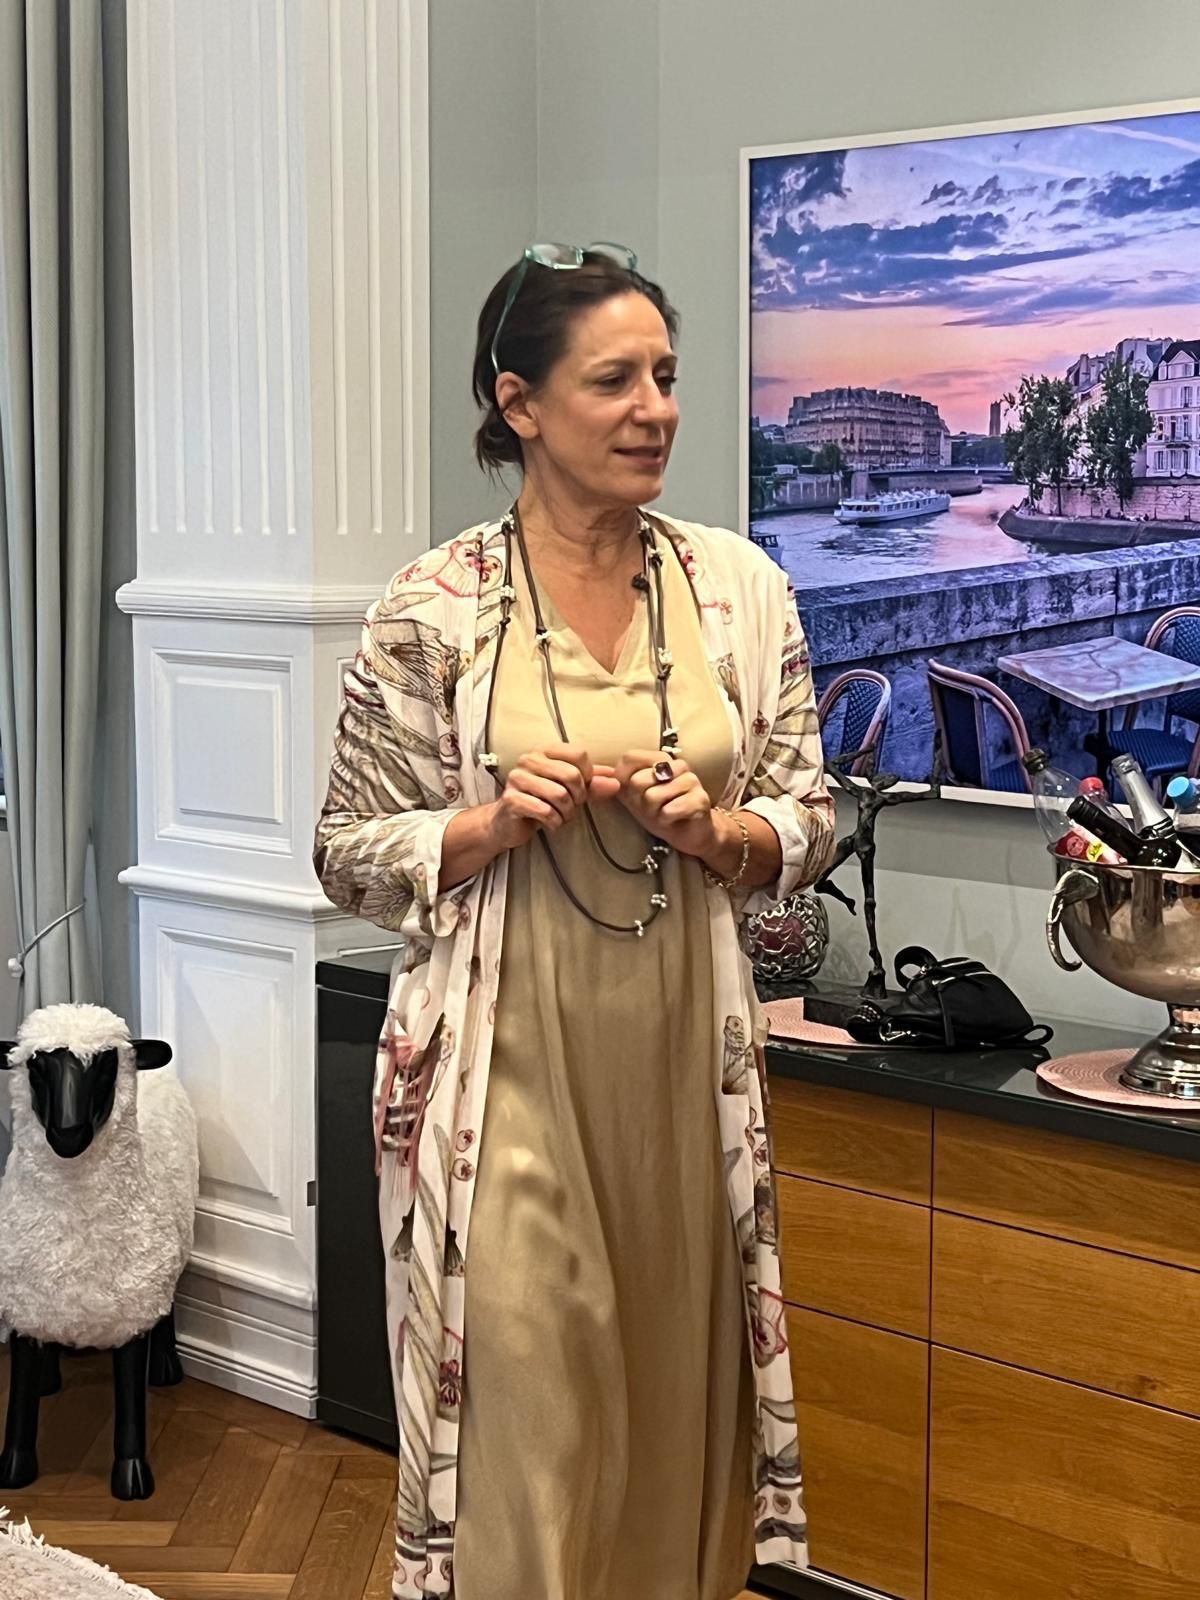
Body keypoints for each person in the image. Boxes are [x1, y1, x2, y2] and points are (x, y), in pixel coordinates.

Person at [314, 242, 835, 1600]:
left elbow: (810, 814)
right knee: (528, 1435)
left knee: (668, 1440)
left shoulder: (740, 589)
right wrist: (483, 826)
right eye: (615, 381)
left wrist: (722, 833)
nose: (656, 408)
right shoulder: (430, 607)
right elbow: (343, 854)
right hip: (502, 1084)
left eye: (665, 375)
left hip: (682, 1079)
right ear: (521, 403)